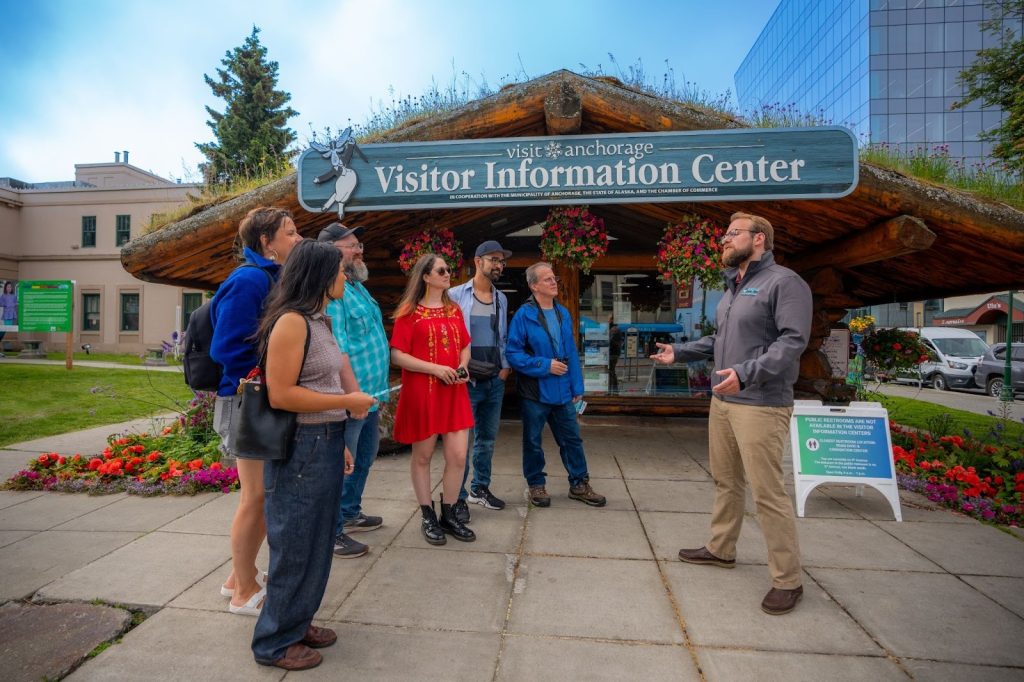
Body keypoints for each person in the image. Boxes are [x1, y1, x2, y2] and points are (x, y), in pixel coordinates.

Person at [651, 211, 812, 616]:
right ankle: (721, 548)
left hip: (761, 403)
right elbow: (719, 339)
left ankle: (787, 579)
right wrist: (679, 353)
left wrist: (747, 373)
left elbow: (793, 342)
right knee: (726, 481)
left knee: (767, 493)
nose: (724, 239)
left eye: (732, 233)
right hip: (723, 402)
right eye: (725, 233)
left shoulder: (784, 282)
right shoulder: (734, 288)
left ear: (759, 240)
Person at [250, 239, 375, 670]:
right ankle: (273, 642)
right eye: (340, 271)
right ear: (321, 275)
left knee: (318, 540)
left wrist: (339, 435)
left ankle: (297, 622)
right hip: (301, 448)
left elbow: (321, 384)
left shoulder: (318, 319)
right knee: (295, 544)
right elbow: (282, 394)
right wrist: (347, 401)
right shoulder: (291, 322)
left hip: (323, 441)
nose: (346, 277)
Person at [209, 207, 302, 616]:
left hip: (259, 398)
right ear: (267, 242)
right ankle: (245, 591)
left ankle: (236, 577)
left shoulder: (273, 278)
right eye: (290, 232)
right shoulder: (249, 279)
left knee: (260, 496)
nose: (297, 239)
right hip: (246, 401)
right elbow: (225, 348)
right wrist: (274, 368)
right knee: (256, 497)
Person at [389, 253, 475, 545]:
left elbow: (465, 345)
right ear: (425, 276)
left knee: (458, 456)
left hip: (454, 391)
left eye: (448, 269)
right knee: (423, 456)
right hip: (423, 392)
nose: (447, 273)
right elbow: (398, 354)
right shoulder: (409, 312)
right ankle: (427, 514)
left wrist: (463, 366)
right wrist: (436, 369)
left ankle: (449, 513)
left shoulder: (454, 310)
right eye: (441, 270)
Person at [506, 262, 606, 508]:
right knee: (532, 441)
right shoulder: (523, 315)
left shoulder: (562, 312)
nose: (554, 282)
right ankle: (536, 485)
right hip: (535, 391)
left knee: (572, 440)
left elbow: (571, 351)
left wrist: (577, 387)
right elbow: (513, 353)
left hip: (562, 390)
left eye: (554, 278)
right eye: (548, 279)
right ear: (534, 286)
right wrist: (544, 365)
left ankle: (579, 484)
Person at [317, 223, 390, 559]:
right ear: (332, 251)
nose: (360, 250)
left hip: (370, 396)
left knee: (364, 457)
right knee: (341, 467)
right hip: (353, 398)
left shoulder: (356, 286)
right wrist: (354, 397)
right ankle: (331, 533)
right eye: (352, 246)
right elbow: (340, 349)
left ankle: (350, 513)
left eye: (360, 244)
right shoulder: (333, 292)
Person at [448, 240, 513, 520]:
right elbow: (447, 337)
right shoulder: (454, 295)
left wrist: (505, 368)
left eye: (502, 261)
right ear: (478, 261)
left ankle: (480, 488)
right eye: (494, 259)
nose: (499, 265)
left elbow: (503, 337)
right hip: (466, 382)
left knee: (486, 440)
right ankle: (458, 497)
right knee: (461, 443)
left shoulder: (502, 298)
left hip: (494, 380)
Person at [608, 315, 622, 393]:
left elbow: (610, 341)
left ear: (613, 320)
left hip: (612, 354)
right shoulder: (615, 329)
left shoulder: (614, 329)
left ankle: (611, 391)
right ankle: (615, 390)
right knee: (612, 372)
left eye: (609, 319)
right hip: (614, 353)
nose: (608, 321)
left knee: (610, 372)